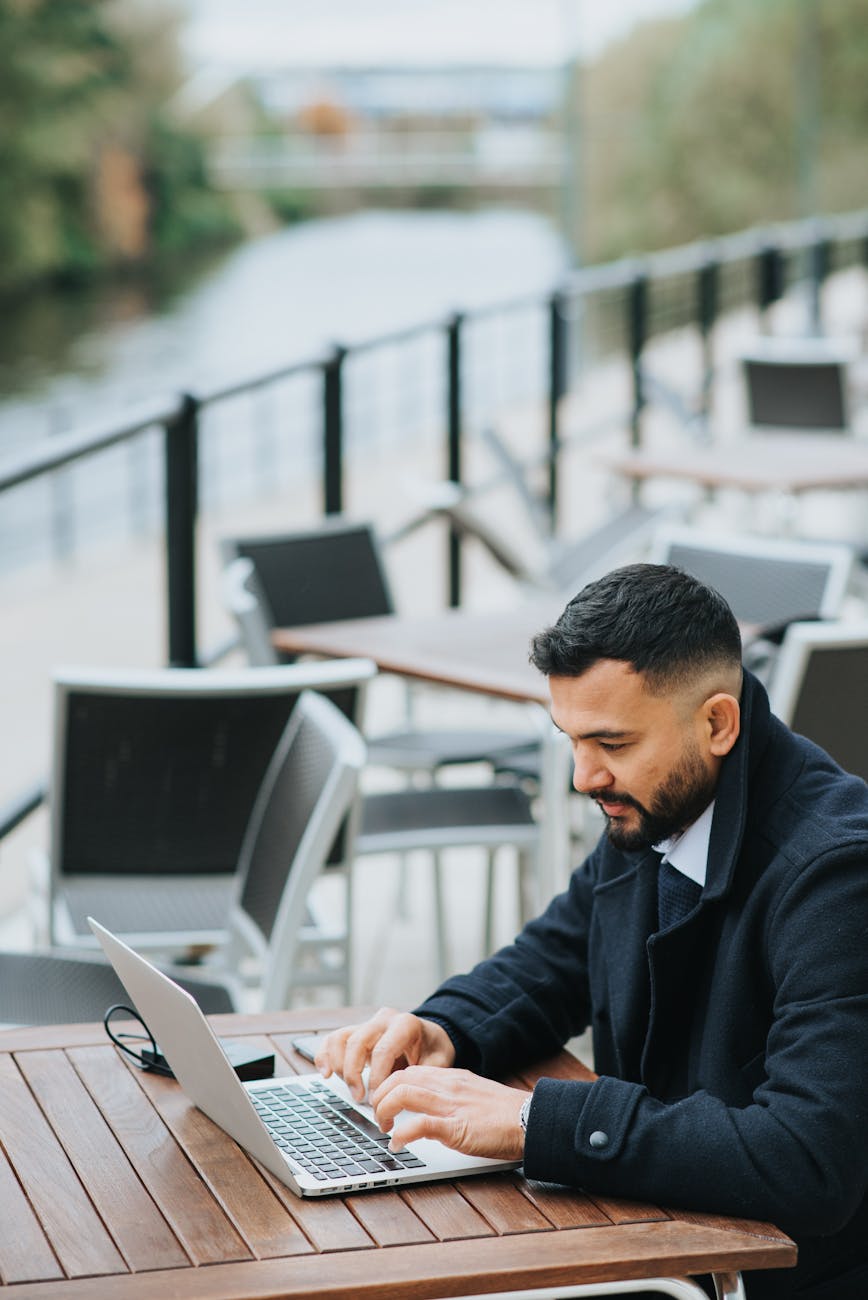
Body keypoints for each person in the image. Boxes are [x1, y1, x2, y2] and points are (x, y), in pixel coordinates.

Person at [316, 564, 868, 1300]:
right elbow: (556, 955)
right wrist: (441, 1027)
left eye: (610, 742)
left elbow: (807, 1160)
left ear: (717, 724)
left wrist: (535, 1118)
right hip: (667, 1242)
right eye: (571, 739)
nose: (583, 777)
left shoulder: (836, 876)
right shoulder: (665, 799)